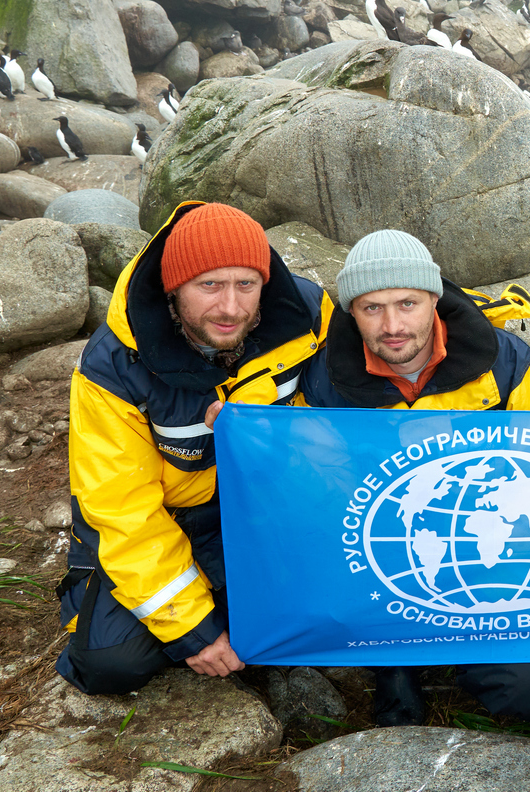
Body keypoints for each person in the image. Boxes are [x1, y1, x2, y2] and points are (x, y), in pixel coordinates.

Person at [297, 229, 530, 727]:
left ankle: (468, 652)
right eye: (372, 308)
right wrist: (238, 431)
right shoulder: (326, 379)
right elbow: (312, 480)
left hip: (494, 542)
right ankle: (398, 661)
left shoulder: (502, 359)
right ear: (351, 312)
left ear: (434, 298)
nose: (392, 325)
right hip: (384, 555)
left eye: (407, 303)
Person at [58, 202, 333, 694]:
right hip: (173, 517)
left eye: (246, 284)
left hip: (268, 506)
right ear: (173, 288)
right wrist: (195, 632)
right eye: (209, 285)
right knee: (110, 663)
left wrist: (272, 439)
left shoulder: (310, 317)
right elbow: (123, 510)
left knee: (300, 621)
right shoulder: (113, 366)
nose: (230, 308)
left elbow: (348, 417)